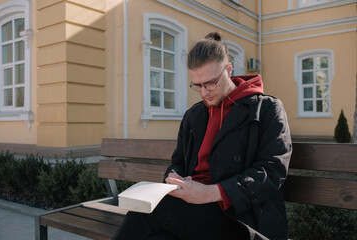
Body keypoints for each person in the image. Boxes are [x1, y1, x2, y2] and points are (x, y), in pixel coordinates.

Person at [113, 32, 292, 240]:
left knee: (146, 215)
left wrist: (211, 192)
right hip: (194, 215)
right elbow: (178, 162)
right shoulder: (194, 115)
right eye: (197, 85)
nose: (204, 92)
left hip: (241, 219)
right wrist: (175, 178)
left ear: (229, 69)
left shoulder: (267, 108)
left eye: (210, 83)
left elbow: (272, 170)